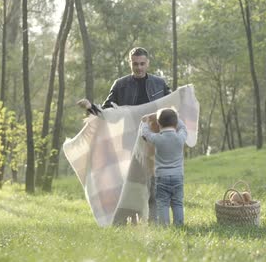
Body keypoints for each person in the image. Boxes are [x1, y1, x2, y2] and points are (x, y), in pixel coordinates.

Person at [77, 47, 171, 224]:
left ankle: (153, 222)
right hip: (129, 142)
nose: (139, 68)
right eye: (135, 64)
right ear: (130, 63)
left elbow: (171, 106)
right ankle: (128, 222)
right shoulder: (120, 85)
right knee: (130, 184)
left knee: (154, 183)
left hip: (153, 140)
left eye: (142, 64)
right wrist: (90, 107)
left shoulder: (159, 83)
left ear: (148, 63)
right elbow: (107, 113)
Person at [141, 108, 187, 226]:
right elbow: (183, 128)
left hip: (161, 178)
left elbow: (146, 133)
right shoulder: (180, 138)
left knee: (162, 203)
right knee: (177, 203)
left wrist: (145, 122)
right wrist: (177, 117)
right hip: (178, 177)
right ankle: (179, 225)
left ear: (159, 124)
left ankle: (164, 226)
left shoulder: (158, 138)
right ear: (175, 123)